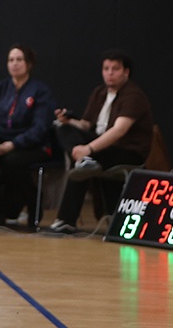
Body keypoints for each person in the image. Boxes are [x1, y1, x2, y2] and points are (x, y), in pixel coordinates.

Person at [46, 50, 154, 234]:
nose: (109, 73)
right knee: (61, 128)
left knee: (82, 161)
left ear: (126, 72)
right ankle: (84, 162)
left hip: (126, 151)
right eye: (106, 68)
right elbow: (86, 125)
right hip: (100, 148)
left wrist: (88, 149)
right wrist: (69, 121)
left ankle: (66, 220)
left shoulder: (133, 95)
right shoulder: (99, 92)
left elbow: (119, 131)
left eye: (115, 69)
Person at [0, 44, 56, 228]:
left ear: (29, 64)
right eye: (11, 60)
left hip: (31, 145)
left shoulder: (40, 91)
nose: (14, 64)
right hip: (0, 142)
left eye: (19, 60)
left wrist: (14, 144)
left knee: (12, 162)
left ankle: (32, 200)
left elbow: (40, 127)